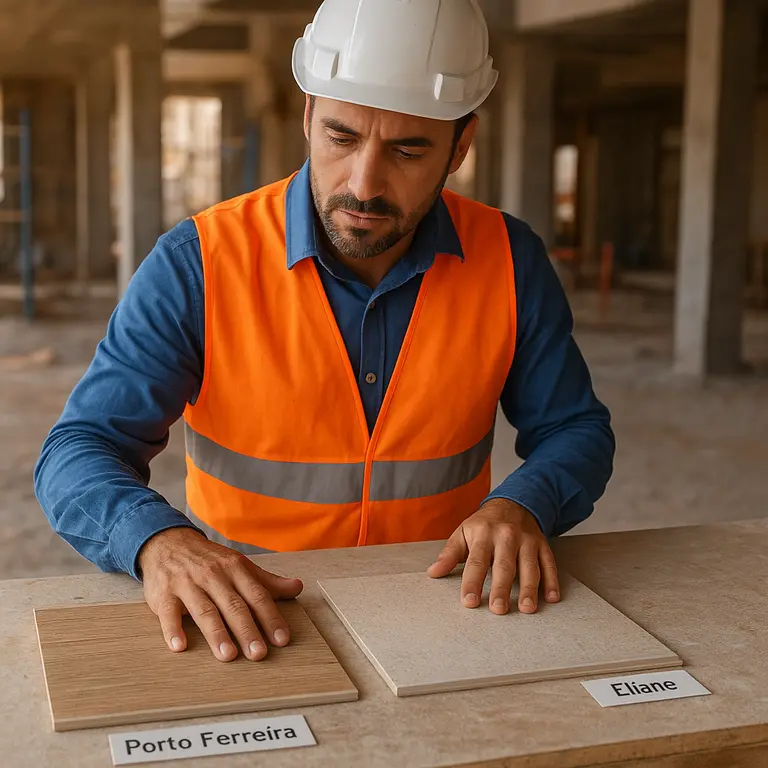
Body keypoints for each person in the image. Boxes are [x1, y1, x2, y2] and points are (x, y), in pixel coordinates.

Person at [35, 0, 615, 664]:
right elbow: (78, 448)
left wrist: (526, 504)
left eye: (408, 150)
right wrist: (156, 541)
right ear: (309, 115)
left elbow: (576, 430)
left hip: (445, 612)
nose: (364, 185)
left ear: (461, 146)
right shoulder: (200, 263)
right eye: (342, 138)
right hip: (253, 618)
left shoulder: (510, 261)